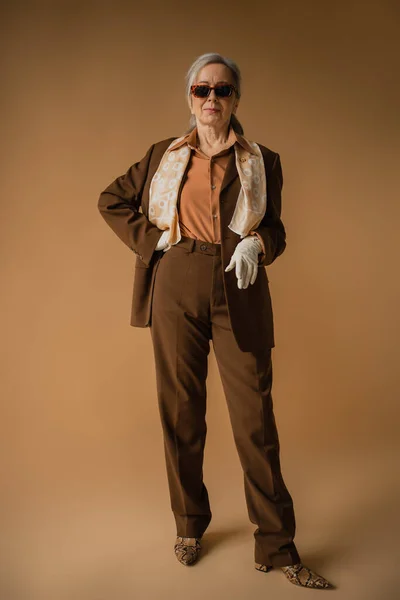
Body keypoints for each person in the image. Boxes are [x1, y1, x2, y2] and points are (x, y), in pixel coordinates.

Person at [97, 52, 334, 590]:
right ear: (190, 98)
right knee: (181, 411)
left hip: (239, 287)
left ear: (235, 100)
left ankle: (276, 546)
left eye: (222, 91)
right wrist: (151, 240)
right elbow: (112, 200)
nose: (211, 100)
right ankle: (189, 524)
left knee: (255, 419)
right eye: (201, 90)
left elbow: (277, 230)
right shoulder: (164, 154)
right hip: (177, 278)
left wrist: (257, 243)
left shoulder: (262, 160)